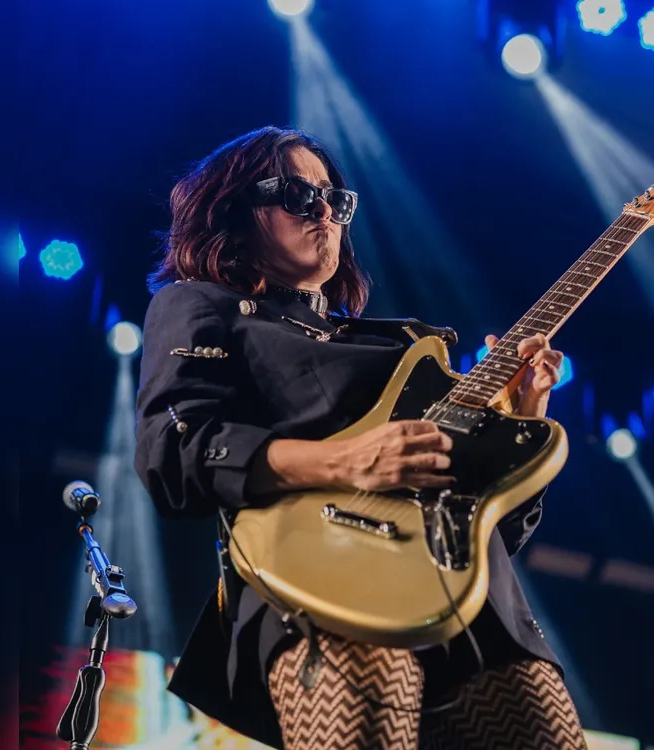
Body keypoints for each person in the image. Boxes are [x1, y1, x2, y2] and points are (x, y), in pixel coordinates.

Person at [134, 126, 586, 749]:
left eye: (335, 200)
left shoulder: (403, 348)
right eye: (296, 194)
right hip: (324, 586)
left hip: (476, 607)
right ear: (232, 210)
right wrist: (344, 460)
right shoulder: (199, 306)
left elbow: (494, 529)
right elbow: (172, 451)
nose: (323, 211)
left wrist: (522, 415)